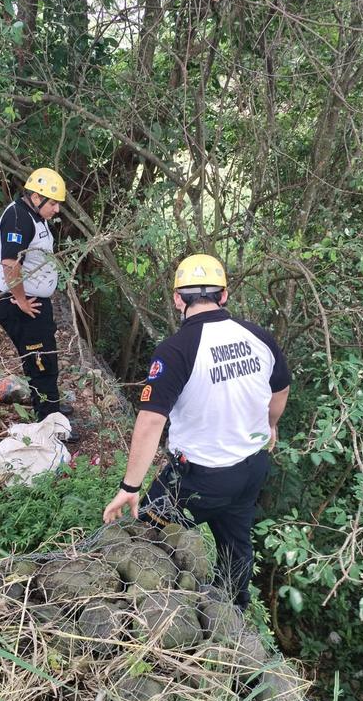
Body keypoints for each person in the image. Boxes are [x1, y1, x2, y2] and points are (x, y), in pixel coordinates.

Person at [103, 254, 290, 609]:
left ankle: (149, 609)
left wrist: (130, 488)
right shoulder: (259, 337)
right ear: (224, 295)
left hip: (197, 479)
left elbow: (151, 421)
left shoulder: (176, 350)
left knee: (146, 537)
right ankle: (233, 607)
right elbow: (280, 389)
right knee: (236, 540)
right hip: (252, 468)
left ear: (177, 299)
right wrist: (270, 424)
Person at [0, 167, 78, 441]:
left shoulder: (33, 215)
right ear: (35, 196)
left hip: (31, 301)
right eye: (52, 203)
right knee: (41, 362)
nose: (57, 209)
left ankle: (48, 409)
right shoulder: (19, 219)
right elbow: (10, 264)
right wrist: (21, 301)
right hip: (19, 303)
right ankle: (50, 427)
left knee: (42, 358)